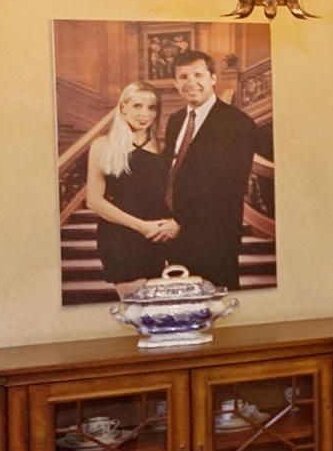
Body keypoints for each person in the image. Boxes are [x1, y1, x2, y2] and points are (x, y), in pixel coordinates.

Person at [159, 49, 265, 289]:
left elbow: (229, 189)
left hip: (214, 239)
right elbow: (171, 174)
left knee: (218, 305)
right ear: (175, 83)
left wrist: (182, 222)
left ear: (213, 78)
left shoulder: (237, 124)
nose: (191, 82)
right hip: (175, 238)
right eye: (183, 77)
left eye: (198, 75)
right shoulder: (176, 121)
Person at [85, 82, 178, 289]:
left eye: (151, 108)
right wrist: (142, 227)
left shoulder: (163, 147)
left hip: (158, 236)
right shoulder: (103, 145)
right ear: (123, 107)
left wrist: (172, 224)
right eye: (137, 106)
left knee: (158, 305)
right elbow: (94, 201)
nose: (145, 114)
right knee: (137, 305)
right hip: (121, 237)